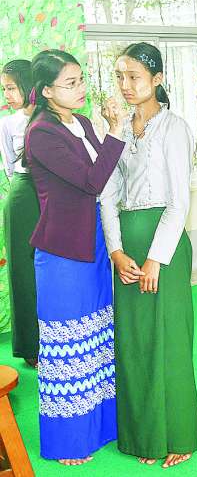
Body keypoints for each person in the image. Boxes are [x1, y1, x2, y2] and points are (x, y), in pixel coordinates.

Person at [24, 49, 125, 465]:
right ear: (47, 91)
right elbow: (91, 180)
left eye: (81, 79)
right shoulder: (41, 133)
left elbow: (105, 175)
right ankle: (68, 441)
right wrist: (115, 131)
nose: (80, 88)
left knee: (97, 339)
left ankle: (101, 428)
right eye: (70, 83)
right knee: (67, 345)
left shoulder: (80, 122)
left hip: (93, 242)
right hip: (62, 251)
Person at [99, 43, 197, 468]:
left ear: (157, 79)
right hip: (127, 248)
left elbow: (179, 201)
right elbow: (107, 194)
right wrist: (115, 250)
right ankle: (145, 436)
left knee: (170, 338)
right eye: (120, 76)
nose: (126, 85)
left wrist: (157, 258)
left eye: (134, 76)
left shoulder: (174, 128)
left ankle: (179, 435)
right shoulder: (119, 129)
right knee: (135, 341)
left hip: (166, 248)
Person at [0, 60, 40, 367]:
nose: (7, 95)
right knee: (23, 274)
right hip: (22, 200)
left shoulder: (52, 118)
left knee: (53, 271)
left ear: (29, 85)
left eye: (11, 88)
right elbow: (10, 167)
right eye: (4, 89)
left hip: (56, 201)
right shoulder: (7, 124)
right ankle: (30, 346)